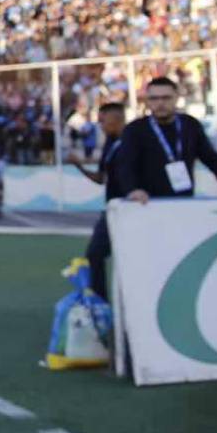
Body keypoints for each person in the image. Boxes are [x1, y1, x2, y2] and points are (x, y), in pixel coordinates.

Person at [117, 77, 217, 205]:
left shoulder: (190, 125)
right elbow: (125, 165)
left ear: (177, 98)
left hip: (185, 202)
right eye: (154, 98)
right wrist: (132, 190)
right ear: (147, 101)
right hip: (147, 204)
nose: (160, 103)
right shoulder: (135, 129)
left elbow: (213, 161)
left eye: (166, 98)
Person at [69, 102, 127, 299]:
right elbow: (101, 178)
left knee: (128, 258)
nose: (100, 125)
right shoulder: (110, 143)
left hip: (133, 209)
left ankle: (131, 303)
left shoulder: (133, 143)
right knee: (94, 254)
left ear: (117, 119)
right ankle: (100, 302)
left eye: (104, 121)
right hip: (112, 209)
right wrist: (79, 166)